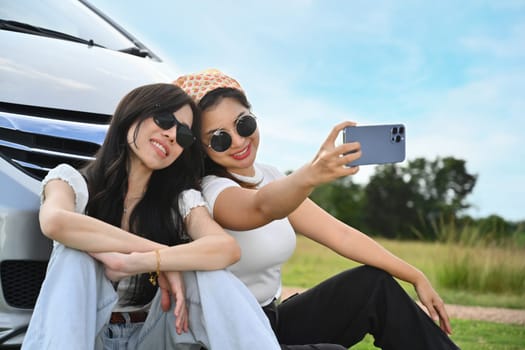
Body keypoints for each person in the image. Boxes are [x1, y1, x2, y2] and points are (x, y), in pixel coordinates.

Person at [174, 69, 461, 350]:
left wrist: (415, 275)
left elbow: (340, 235)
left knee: (373, 285)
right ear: (201, 146)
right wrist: (311, 174)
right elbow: (261, 207)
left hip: (270, 322)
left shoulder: (270, 175)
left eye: (244, 124)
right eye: (219, 138)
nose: (238, 141)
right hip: (229, 336)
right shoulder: (210, 191)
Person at [22, 83, 280, 350]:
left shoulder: (179, 200)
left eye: (184, 134)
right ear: (133, 112)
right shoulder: (73, 182)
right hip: (85, 336)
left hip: (153, 333)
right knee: (73, 255)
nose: (171, 135)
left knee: (207, 275)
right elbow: (55, 222)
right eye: (165, 120)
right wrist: (162, 258)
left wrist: (139, 262)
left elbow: (225, 249)